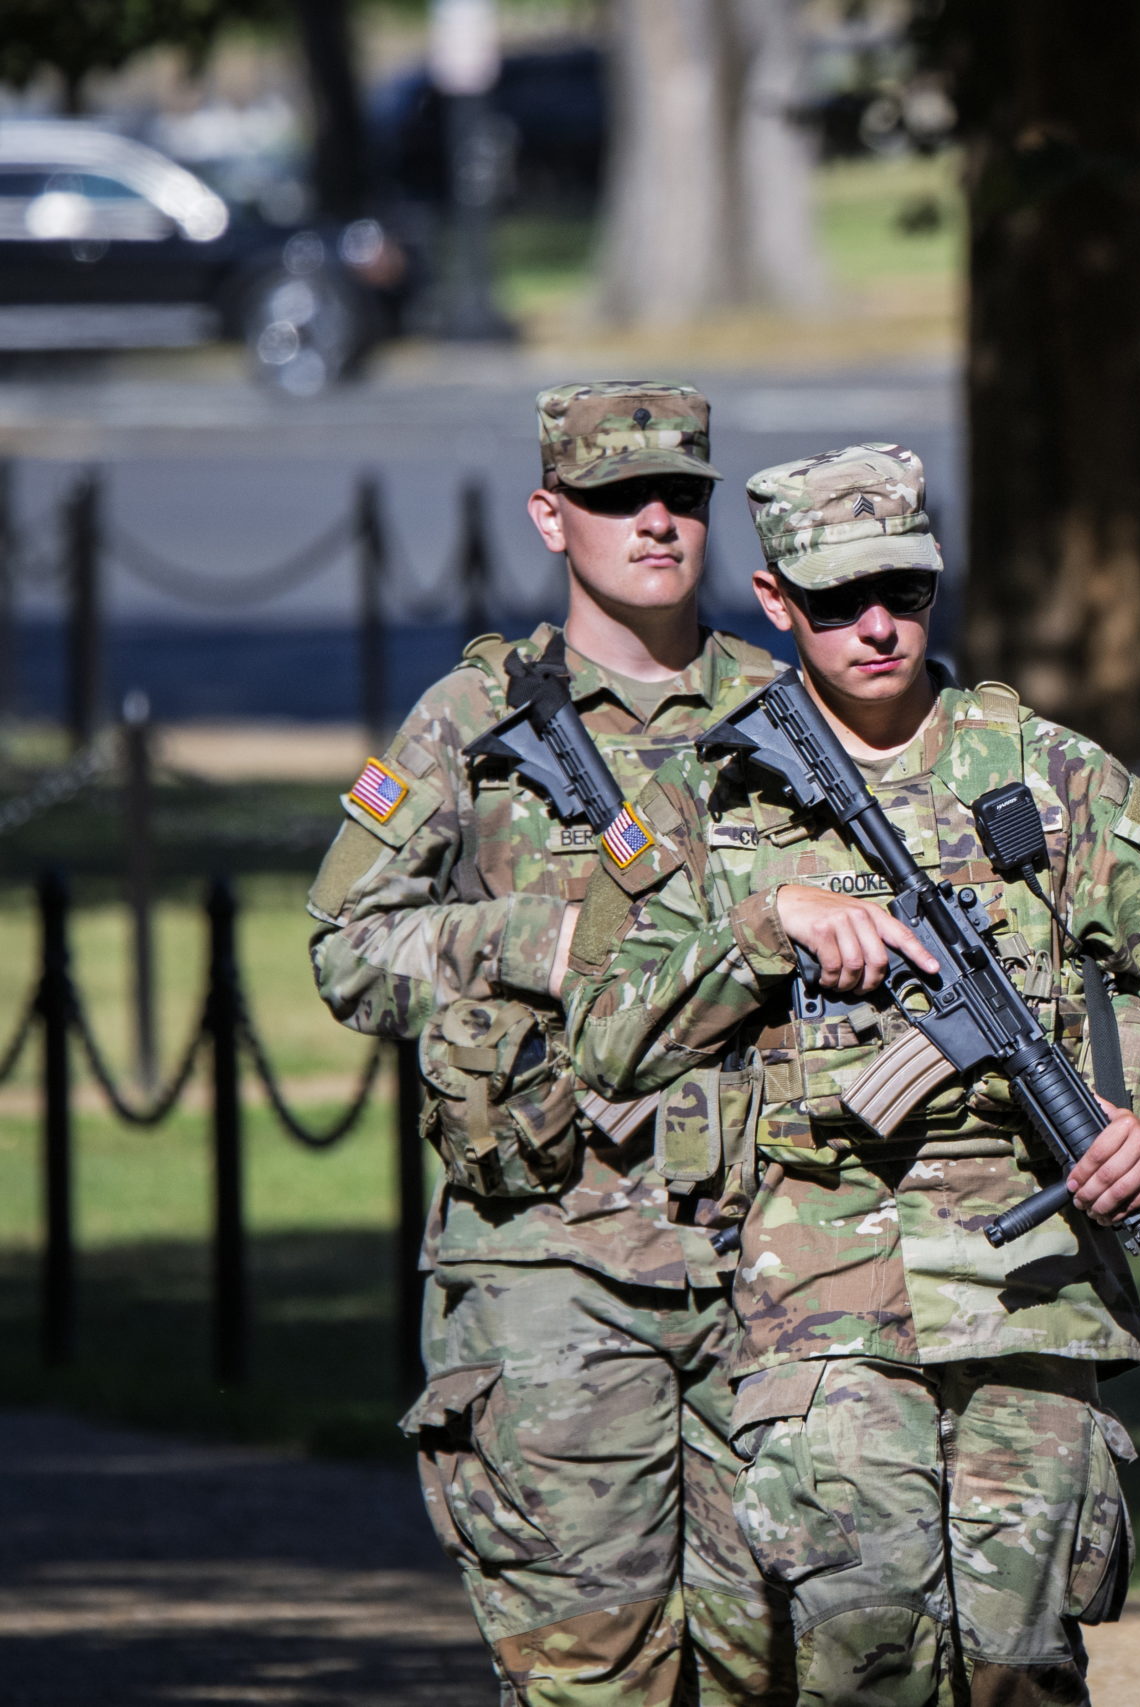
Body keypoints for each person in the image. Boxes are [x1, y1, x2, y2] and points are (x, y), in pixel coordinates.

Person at [565, 443, 1140, 1707]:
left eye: (905, 589)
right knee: (864, 1665)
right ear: (777, 602)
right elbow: (605, 1040)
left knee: (1021, 1674)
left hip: (1032, 1298)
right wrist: (759, 926)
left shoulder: (1050, 780)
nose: (880, 625)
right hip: (816, 1302)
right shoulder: (699, 803)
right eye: (839, 601)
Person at [307, 381, 790, 1705]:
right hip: (550, 1246)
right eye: (618, 496)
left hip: (773, 1251)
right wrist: (547, 938)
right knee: (592, 1668)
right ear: (549, 513)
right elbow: (349, 943)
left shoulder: (781, 717)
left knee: (783, 1662)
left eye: (683, 496)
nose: (656, 521)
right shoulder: (473, 720)